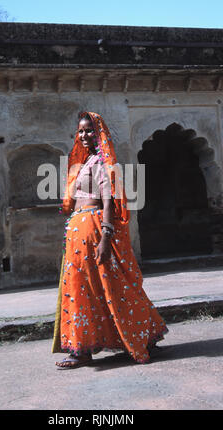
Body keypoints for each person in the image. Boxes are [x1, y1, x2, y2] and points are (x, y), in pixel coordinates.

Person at [52, 111, 168, 368]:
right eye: (80, 131)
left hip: (95, 232)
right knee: (82, 291)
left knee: (113, 286)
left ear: (99, 133)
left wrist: (105, 237)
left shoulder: (104, 163)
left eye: (89, 130)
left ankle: (140, 337)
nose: (84, 135)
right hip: (77, 235)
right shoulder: (84, 163)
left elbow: (108, 202)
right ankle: (83, 348)